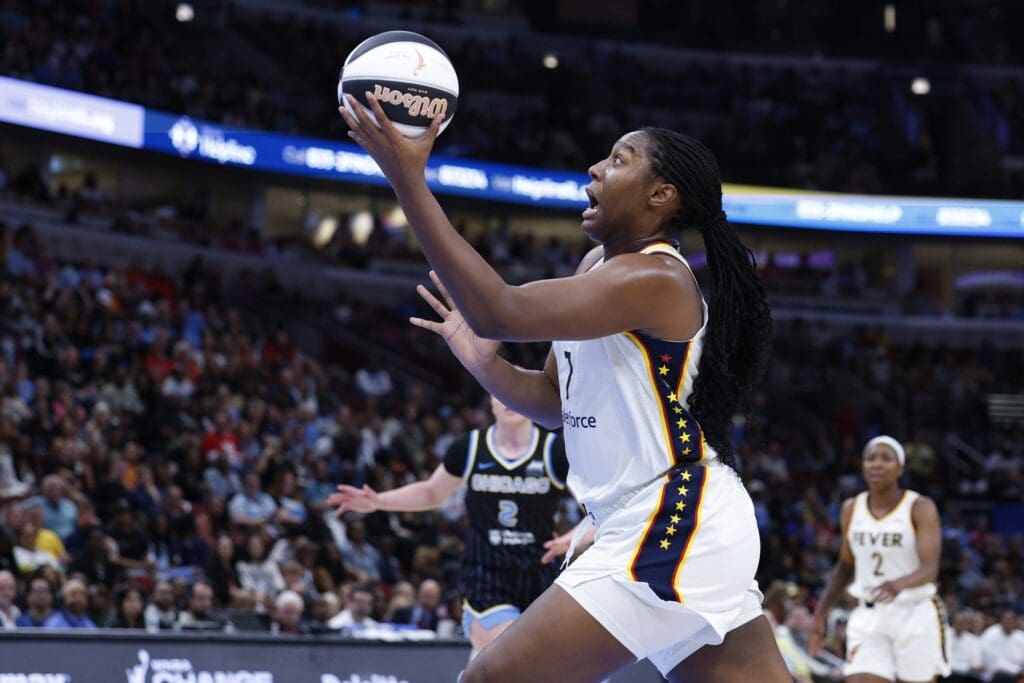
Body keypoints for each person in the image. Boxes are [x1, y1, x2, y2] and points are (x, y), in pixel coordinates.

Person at [339, 95, 787, 681]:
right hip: (662, 517)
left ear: (661, 196)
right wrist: (483, 365)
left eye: (619, 160)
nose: (596, 169)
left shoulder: (657, 277)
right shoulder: (598, 265)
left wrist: (408, 181)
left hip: (674, 516)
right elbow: (553, 403)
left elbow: (500, 310)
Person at [330, 396, 572, 653]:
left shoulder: (555, 451)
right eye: (500, 393)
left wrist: (575, 536)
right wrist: (378, 501)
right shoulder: (470, 447)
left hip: (540, 570)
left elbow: (597, 508)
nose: (509, 400)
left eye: (516, 393)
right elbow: (432, 493)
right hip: (486, 574)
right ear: (489, 402)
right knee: (510, 656)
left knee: (542, 664)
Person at [810, 436, 950, 682]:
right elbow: (845, 565)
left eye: (886, 458)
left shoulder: (920, 507)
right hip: (870, 614)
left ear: (900, 468)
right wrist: (820, 614)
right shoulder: (851, 508)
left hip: (914, 610)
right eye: (870, 458)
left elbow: (930, 568)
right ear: (863, 466)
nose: (877, 464)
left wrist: (898, 584)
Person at [979, 610, 1024, 683]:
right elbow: (995, 663)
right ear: (1001, 621)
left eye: (1010, 621)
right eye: (1006, 620)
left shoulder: (1021, 636)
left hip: (1017, 676)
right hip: (993, 674)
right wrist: (1018, 670)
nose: (1008, 623)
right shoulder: (991, 633)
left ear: (1015, 622)